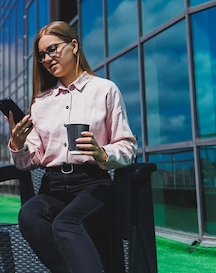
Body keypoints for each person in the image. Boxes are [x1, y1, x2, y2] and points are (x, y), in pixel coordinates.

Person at [7, 21, 137, 273]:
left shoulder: (104, 90)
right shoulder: (40, 103)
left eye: (53, 49)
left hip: (93, 185)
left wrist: (103, 152)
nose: (47, 58)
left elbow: (128, 148)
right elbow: (28, 162)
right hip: (52, 187)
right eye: (42, 55)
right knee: (29, 215)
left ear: (74, 46)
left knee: (66, 223)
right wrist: (18, 144)